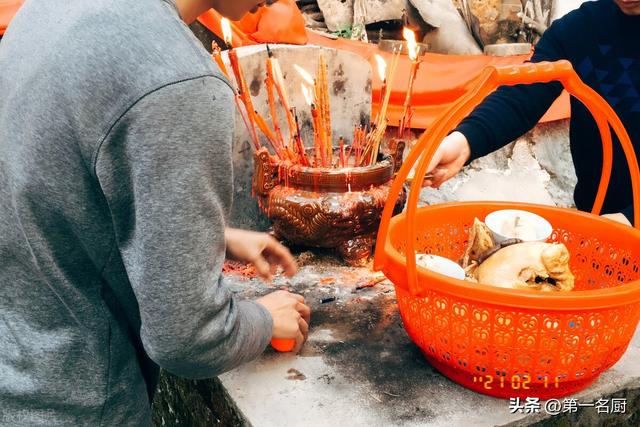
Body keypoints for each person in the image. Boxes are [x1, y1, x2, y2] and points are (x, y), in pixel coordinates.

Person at [0, 0, 310, 424]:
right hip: (77, 404)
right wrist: (262, 320)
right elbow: (188, 337)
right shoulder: (177, 78)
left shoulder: (52, 7)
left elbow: (57, 187)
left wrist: (207, 234)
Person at [427, 0, 639, 226]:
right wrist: (463, 141)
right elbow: (524, 94)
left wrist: (629, 218)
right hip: (599, 221)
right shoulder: (584, 28)